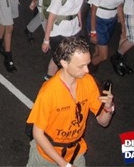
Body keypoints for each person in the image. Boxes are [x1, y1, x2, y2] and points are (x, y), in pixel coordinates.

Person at [26, 37, 114, 167]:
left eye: (88, 64)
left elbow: (103, 122)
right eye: (81, 66)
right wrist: (64, 165)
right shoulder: (49, 92)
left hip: (75, 154)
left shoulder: (88, 81)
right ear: (64, 63)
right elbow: (38, 134)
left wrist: (108, 108)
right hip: (46, 156)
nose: (87, 71)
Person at [42, 0, 94, 80]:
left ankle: (49, 78)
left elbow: (78, 8)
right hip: (59, 32)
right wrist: (46, 40)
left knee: (60, 58)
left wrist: (80, 23)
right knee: (64, 61)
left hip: (73, 29)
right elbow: (51, 17)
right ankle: (51, 82)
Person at [87, 0, 126, 73]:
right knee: (103, 55)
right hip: (99, 21)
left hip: (111, 21)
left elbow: (119, 6)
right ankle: (86, 71)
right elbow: (93, 10)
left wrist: (123, 27)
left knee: (99, 50)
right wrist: (93, 32)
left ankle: (91, 68)